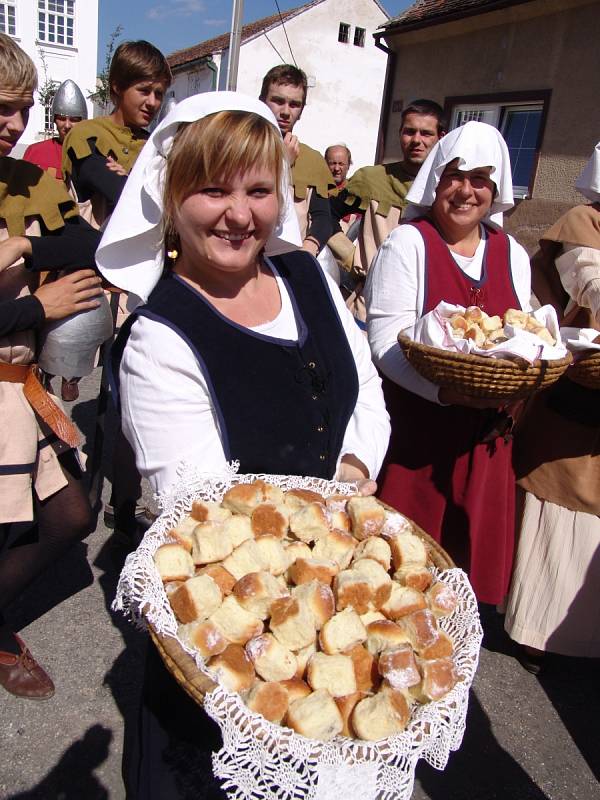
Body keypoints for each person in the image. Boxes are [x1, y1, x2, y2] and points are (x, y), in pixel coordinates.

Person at [96, 91, 390, 796]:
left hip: (330, 615)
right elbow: (204, 517)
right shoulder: (160, 339)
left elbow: (364, 389)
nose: (239, 214)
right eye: (212, 190)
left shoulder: (304, 275)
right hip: (240, 646)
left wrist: (352, 462)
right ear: (171, 199)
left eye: (259, 190)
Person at [364, 121, 532, 606]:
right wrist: (445, 392)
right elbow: (385, 344)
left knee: (460, 590)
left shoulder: (510, 252)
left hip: (486, 440)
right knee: (404, 577)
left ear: (495, 188)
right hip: (422, 437)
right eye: (454, 176)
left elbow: (525, 334)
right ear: (435, 180)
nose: (465, 190)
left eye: (480, 179)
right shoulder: (409, 244)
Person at [0, 33, 103, 699]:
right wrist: (37, 305)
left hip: (15, 380)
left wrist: (25, 246)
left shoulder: (30, 179)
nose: (14, 124)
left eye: (23, 108)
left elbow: (86, 238)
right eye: (1, 108)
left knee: (69, 513)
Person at [63, 39, 171, 530]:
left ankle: (122, 501)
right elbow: (113, 190)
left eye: (160, 93)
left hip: (141, 286)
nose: (152, 102)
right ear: (117, 88)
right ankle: (64, 493)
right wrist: (141, 181)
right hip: (88, 281)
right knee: (62, 385)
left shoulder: (159, 144)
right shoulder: (88, 134)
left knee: (127, 392)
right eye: (144, 91)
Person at [505, 142, 600, 672]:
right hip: (574, 390)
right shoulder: (583, 222)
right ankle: (536, 634)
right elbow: (590, 282)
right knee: (560, 508)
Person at [328, 99, 446, 325]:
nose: (416, 140)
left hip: (430, 311)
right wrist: (351, 257)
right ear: (400, 133)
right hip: (371, 305)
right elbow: (326, 213)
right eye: (409, 132)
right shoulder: (372, 179)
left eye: (426, 133)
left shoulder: (448, 188)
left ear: (441, 136)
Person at [259, 64, 334, 257]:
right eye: (278, 101)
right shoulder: (240, 148)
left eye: (294, 104)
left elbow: (323, 218)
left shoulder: (312, 159)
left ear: (301, 110)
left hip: (290, 264)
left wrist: (309, 249)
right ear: (262, 101)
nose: (285, 112)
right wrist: (282, 161)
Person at [22, 79, 88, 183]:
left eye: (74, 120)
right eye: (61, 118)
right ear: (54, 119)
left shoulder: (92, 157)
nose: (67, 125)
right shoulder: (35, 152)